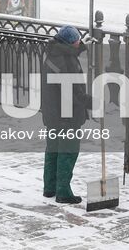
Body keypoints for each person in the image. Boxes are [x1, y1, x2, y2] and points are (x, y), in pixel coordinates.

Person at [41, 25, 91, 204]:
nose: (79, 42)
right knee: (68, 151)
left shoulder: (53, 55)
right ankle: (63, 192)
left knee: (53, 149)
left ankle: (50, 187)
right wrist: (88, 101)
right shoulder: (67, 60)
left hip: (52, 113)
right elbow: (73, 91)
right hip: (67, 115)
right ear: (70, 43)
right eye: (77, 40)